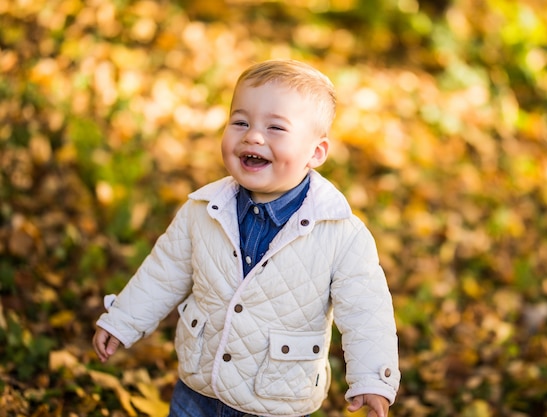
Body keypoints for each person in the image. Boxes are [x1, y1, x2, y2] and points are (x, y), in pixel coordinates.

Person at [93, 59, 400, 417]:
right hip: (199, 387)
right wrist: (122, 322)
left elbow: (367, 312)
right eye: (240, 122)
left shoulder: (341, 234)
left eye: (275, 128)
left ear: (315, 153)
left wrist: (373, 379)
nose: (253, 136)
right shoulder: (203, 209)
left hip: (276, 398)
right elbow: (163, 273)